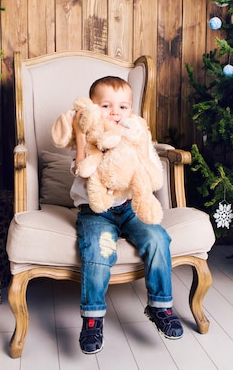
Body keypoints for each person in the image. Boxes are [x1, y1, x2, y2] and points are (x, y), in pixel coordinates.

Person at [70, 76, 183, 354]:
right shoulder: (92, 136)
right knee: (98, 250)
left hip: (131, 209)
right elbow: (80, 169)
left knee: (157, 239)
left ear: (130, 111)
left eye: (123, 107)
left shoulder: (133, 135)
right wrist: (81, 134)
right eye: (106, 106)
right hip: (96, 213)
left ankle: (160, 307)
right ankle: (93, 318)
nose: (115, 113)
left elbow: (147, 165)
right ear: (93, 108)